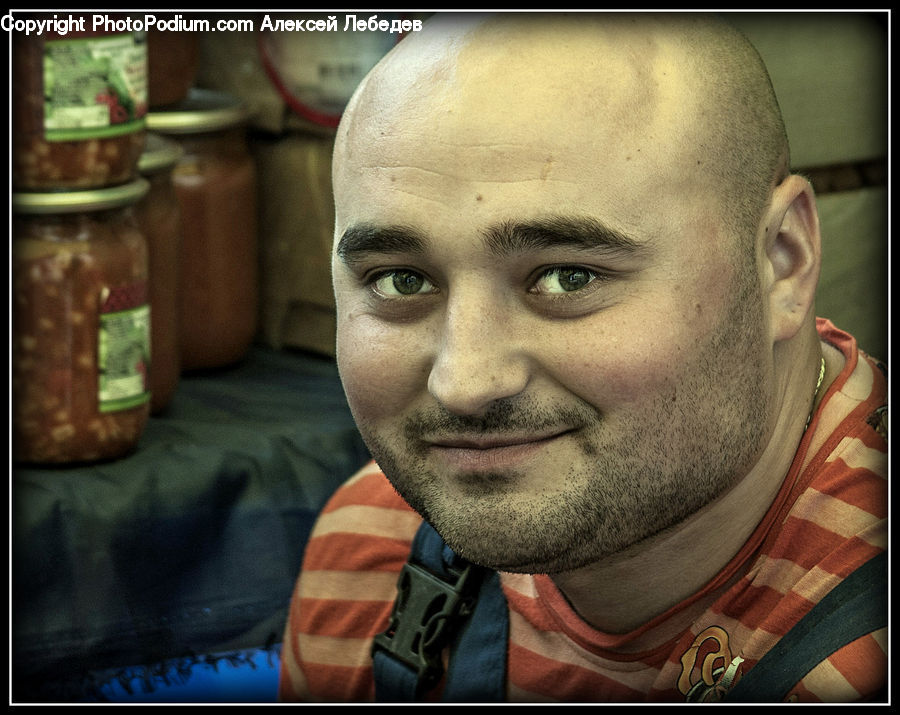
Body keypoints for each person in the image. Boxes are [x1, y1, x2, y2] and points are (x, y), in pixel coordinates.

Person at [278, 12, 887, 703]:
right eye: (402, 280)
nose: (465, 381)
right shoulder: (366, 561)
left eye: (568, 276)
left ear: (783, 262)